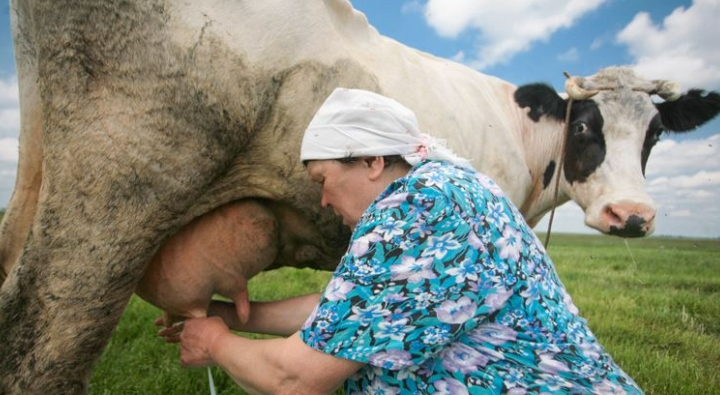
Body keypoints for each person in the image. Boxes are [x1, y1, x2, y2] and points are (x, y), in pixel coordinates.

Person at [160, 88, 645, 395]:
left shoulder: (411, 210)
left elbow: (295, 379)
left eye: (322, 180)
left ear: (372, 161)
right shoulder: (450, 188)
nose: (323, 201)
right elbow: (355, 312)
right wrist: (231, 314)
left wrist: (217, 342)